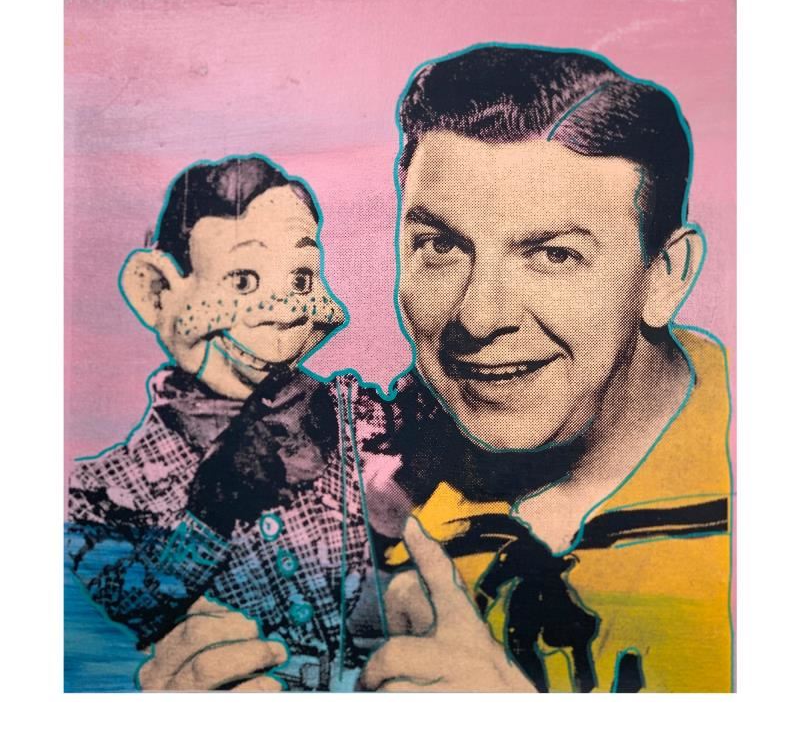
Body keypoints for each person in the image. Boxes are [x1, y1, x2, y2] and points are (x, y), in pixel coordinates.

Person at [136, 45, 733, 693]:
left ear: (664, 276)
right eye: (441, 245)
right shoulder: (352, 476)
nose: (478, 317)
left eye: (554, 255)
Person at [66, 155, 375, 691]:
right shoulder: (104, 493)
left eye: (302, 278)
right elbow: (109, 615)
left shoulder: (354, 418)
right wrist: (208, 516)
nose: (284, 313)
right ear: (158, 292)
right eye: (243, 280)